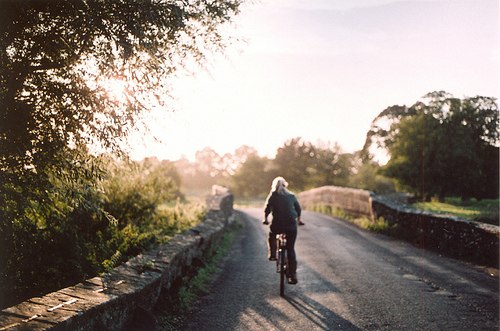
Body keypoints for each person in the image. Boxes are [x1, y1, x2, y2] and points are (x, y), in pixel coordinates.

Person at [262, 176, 303, 284]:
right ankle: (292, 276)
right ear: (285, 185)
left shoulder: (273, 196)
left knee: (272, 234)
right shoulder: (291, 195)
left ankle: (273, 254)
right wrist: (299, 220)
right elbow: (298, 209)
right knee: (290, 249)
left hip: (277, 225)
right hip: (291, 225)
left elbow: (267, 209)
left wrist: (265, 219)